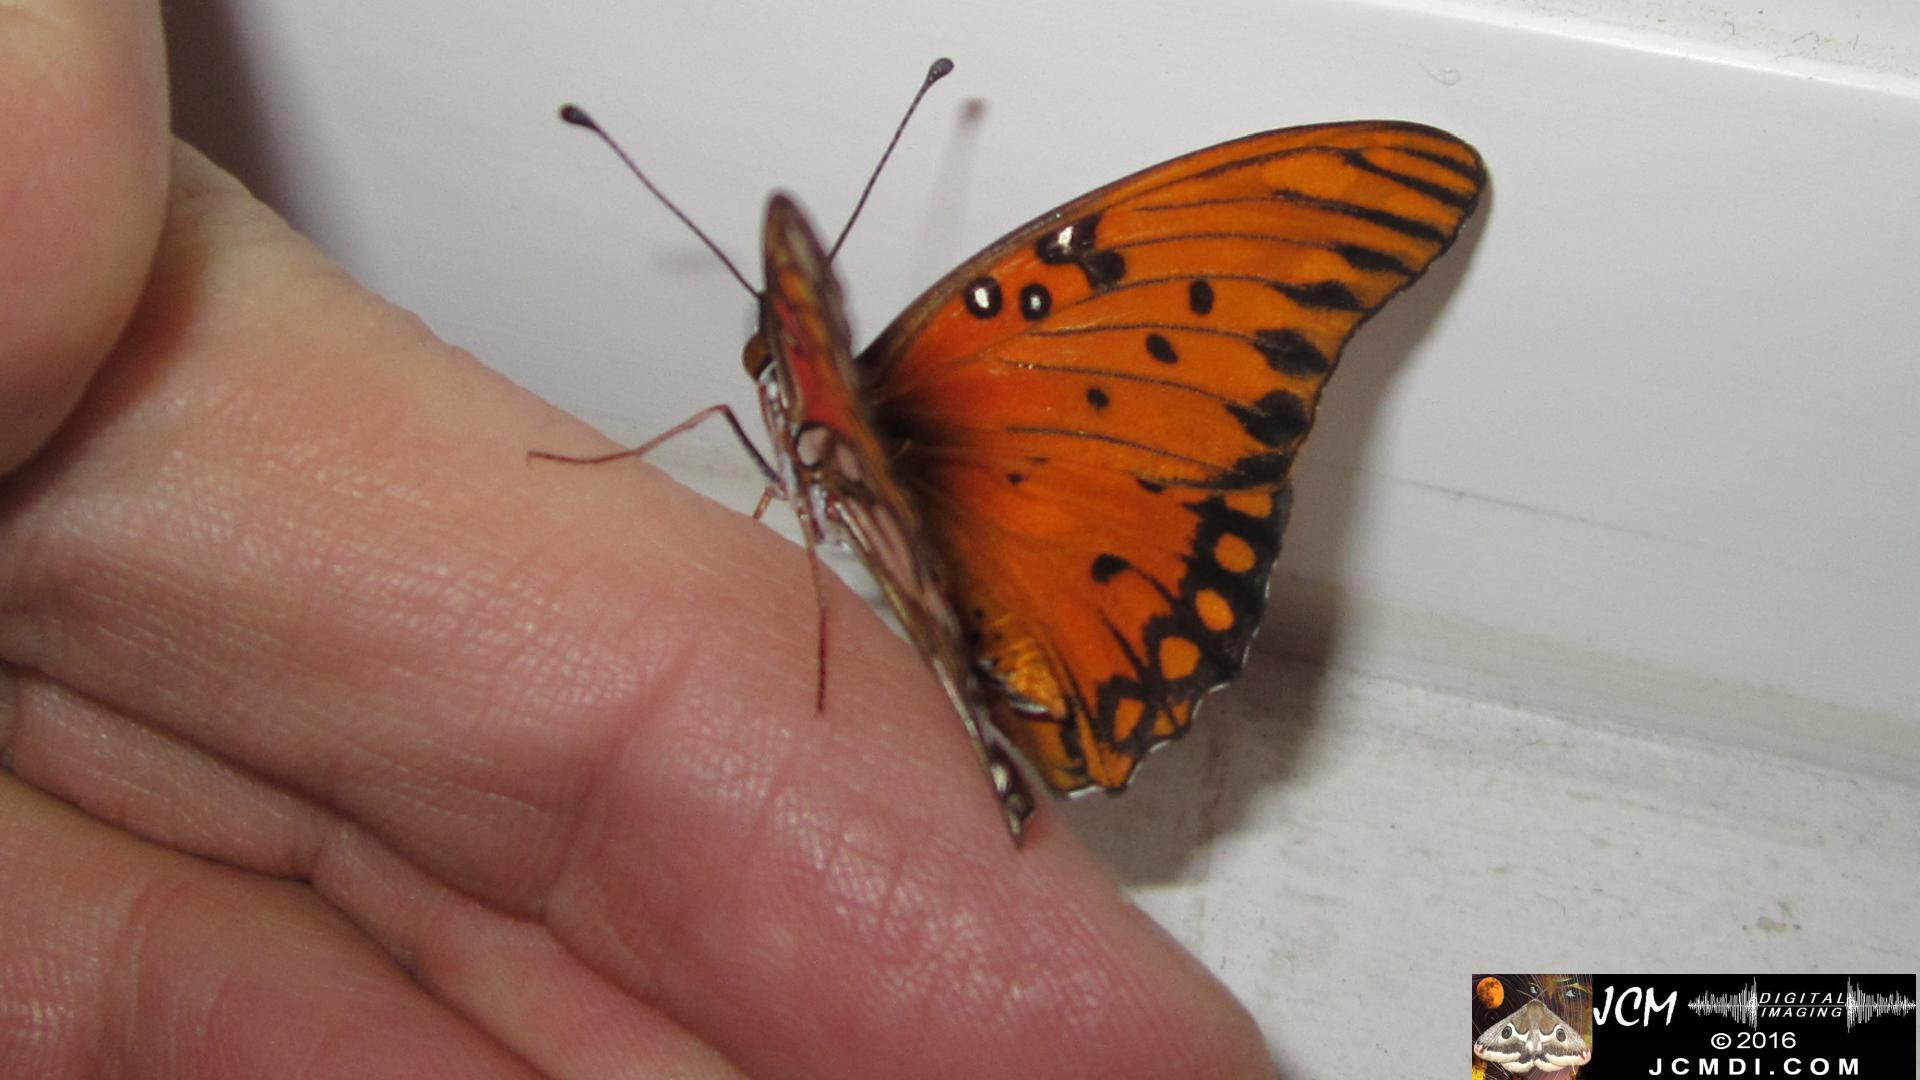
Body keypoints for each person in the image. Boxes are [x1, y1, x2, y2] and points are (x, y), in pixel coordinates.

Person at [0, 3, 1273, 1075]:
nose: (768, 386)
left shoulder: (828, 404)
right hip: (1015, 560)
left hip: (1028, 560)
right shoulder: (839, 415)